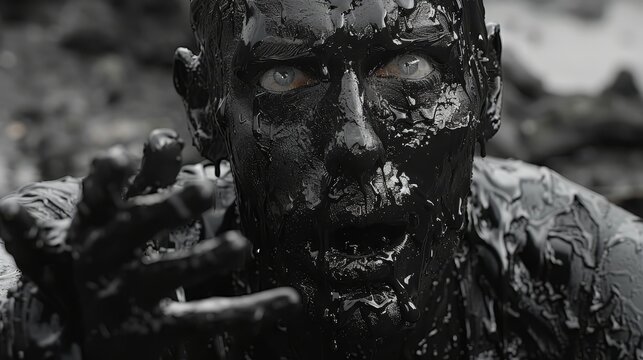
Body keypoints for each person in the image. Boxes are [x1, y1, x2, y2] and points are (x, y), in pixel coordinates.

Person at [1, 0, 642, 359]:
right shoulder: (131, 271)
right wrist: (45, 329)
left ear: (487, 84)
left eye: (408, 64)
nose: (357, 141)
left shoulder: (578, 269)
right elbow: (29, 259)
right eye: (289, 78)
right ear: (204, 107)